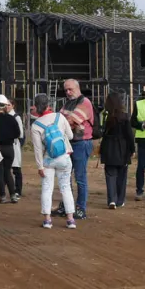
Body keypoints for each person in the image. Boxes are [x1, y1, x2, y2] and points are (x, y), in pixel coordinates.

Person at [30, 93, 77, 230]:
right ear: (49, 104)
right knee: (65, 188)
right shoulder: (60, 117)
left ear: (35, 106)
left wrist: (39, 167)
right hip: (64, 157)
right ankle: (70, 219)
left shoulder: (36, 126)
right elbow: (70, 135)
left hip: (48, 160)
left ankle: (47, 220)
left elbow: (38, 149)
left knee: (47, 188)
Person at [56, 79, 95, 220]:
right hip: (70, 142)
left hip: (81, 143)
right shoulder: (68, 103)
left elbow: (69, 121)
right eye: (66, 90)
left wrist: (65, 121)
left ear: (77, 88)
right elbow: (60, 120)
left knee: (80, 177)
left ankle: (80, 208)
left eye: (70, 89)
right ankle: (68, 206)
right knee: (65, 176)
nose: (67, 92)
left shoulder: (85, 103)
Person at [99, 90, 135, 210]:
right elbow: (129, 135)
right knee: (122, 176)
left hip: (108, 147)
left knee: (110, 175)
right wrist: (132, 149)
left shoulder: (105, 117)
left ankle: (111, 200)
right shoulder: (124, 117)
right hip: (122, 148)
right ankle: (120, 200)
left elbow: (101, 132)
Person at [0, 95, 19, 205]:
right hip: (9, 148)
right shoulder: (11, 118)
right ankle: (13, 195)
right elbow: (17, 133)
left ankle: (2, 195)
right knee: (7, 171)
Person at [10, 101, 24, 200]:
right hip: (7, 145)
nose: (6, 107)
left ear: (13, 105)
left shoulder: (16, 117)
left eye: (8, 105)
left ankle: (18, 190)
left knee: (16, 169)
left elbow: (21, 134)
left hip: (14, 145)